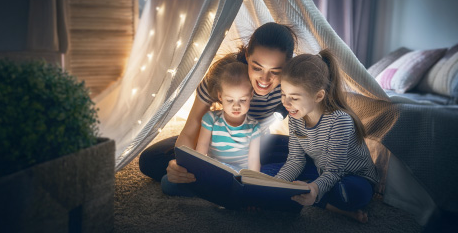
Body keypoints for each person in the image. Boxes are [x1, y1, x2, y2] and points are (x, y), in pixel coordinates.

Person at [139, 22, 317, 187]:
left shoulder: (292, 85)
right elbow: (191, 128)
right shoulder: (225, 77)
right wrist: (179, 164)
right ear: (247, 55)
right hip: (216, 144)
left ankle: (244, 178)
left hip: (258, 145)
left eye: (275, 71)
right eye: (257, 67)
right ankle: (244, 178)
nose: (264, 79)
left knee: (314, 157)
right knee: (151, 159)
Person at [274, 49, 378, 223]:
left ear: (319, 96)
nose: (285, 103)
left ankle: (317, 195)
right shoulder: (295, 117)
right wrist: (274, 185)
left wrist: (313, 189)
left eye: (294, 97)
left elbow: (334, 170)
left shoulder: (339, 121)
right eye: (283, 94)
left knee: (348, 194)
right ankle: (312, 192)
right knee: (268, 175)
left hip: (354, 177)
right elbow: (295, 160)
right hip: (320, 169)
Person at [195, 61, 261, 172]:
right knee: (168, 183)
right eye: (230, 100)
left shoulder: (254, 127)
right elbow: (202, 147)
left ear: (251, 95)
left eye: (243, 100)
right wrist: (197, 171)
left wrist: (252, 182)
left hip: (241, 173)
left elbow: (254, 159)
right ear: (220, 96)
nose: (236, 106)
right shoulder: (210, 119)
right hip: (216, 169)